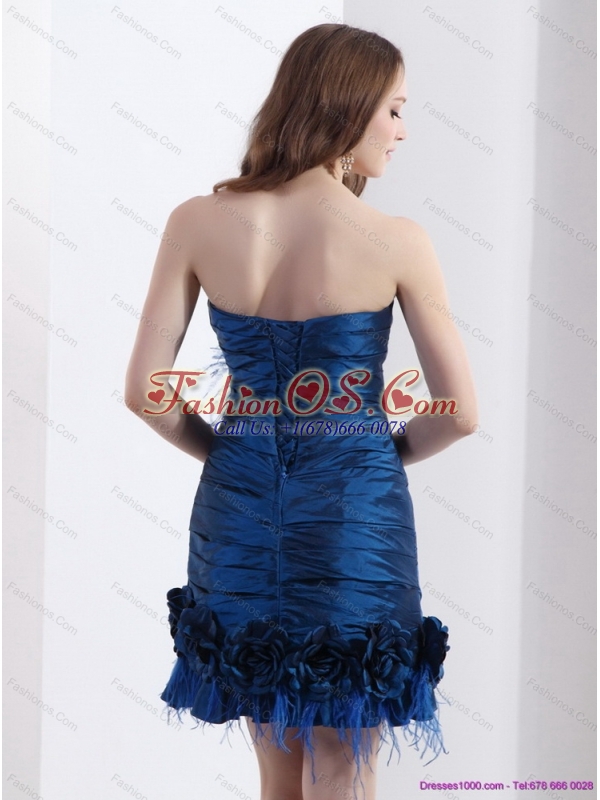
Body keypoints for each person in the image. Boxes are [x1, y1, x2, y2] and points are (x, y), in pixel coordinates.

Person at [124, 22, 478, 800]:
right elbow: (459, 413)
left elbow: (145, 392)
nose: (402, 130)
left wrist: (235, 450)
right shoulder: (395, 239)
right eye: (394, 110)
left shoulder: (197, 221)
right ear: (348, 108)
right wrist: (371, 449)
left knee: (278, 769)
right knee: (346, 768)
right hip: (354, 516)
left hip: (238, 511)